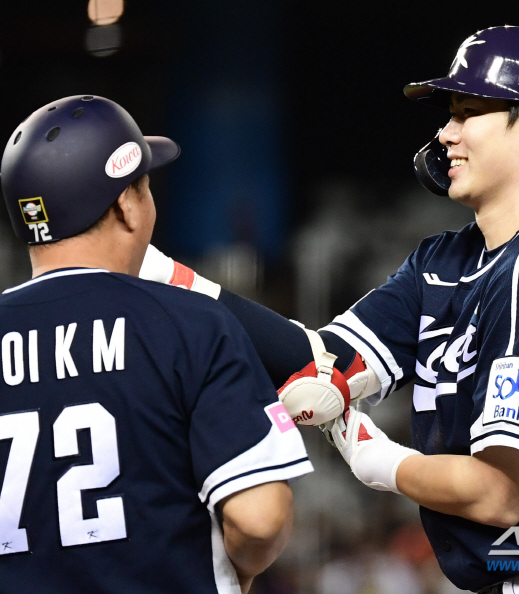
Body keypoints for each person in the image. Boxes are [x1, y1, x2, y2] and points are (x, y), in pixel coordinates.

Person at [140, 27, 519, 593]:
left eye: (468, 111)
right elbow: (326, 358)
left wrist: (380, 460)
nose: (445, 134)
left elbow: (499, 494)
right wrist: (159, 274)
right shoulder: (444, 261)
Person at [0, 95, 312, 594]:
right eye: (144, 187)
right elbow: (260, 519)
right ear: (126, 203)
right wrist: (241, 572)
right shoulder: (189, 321)